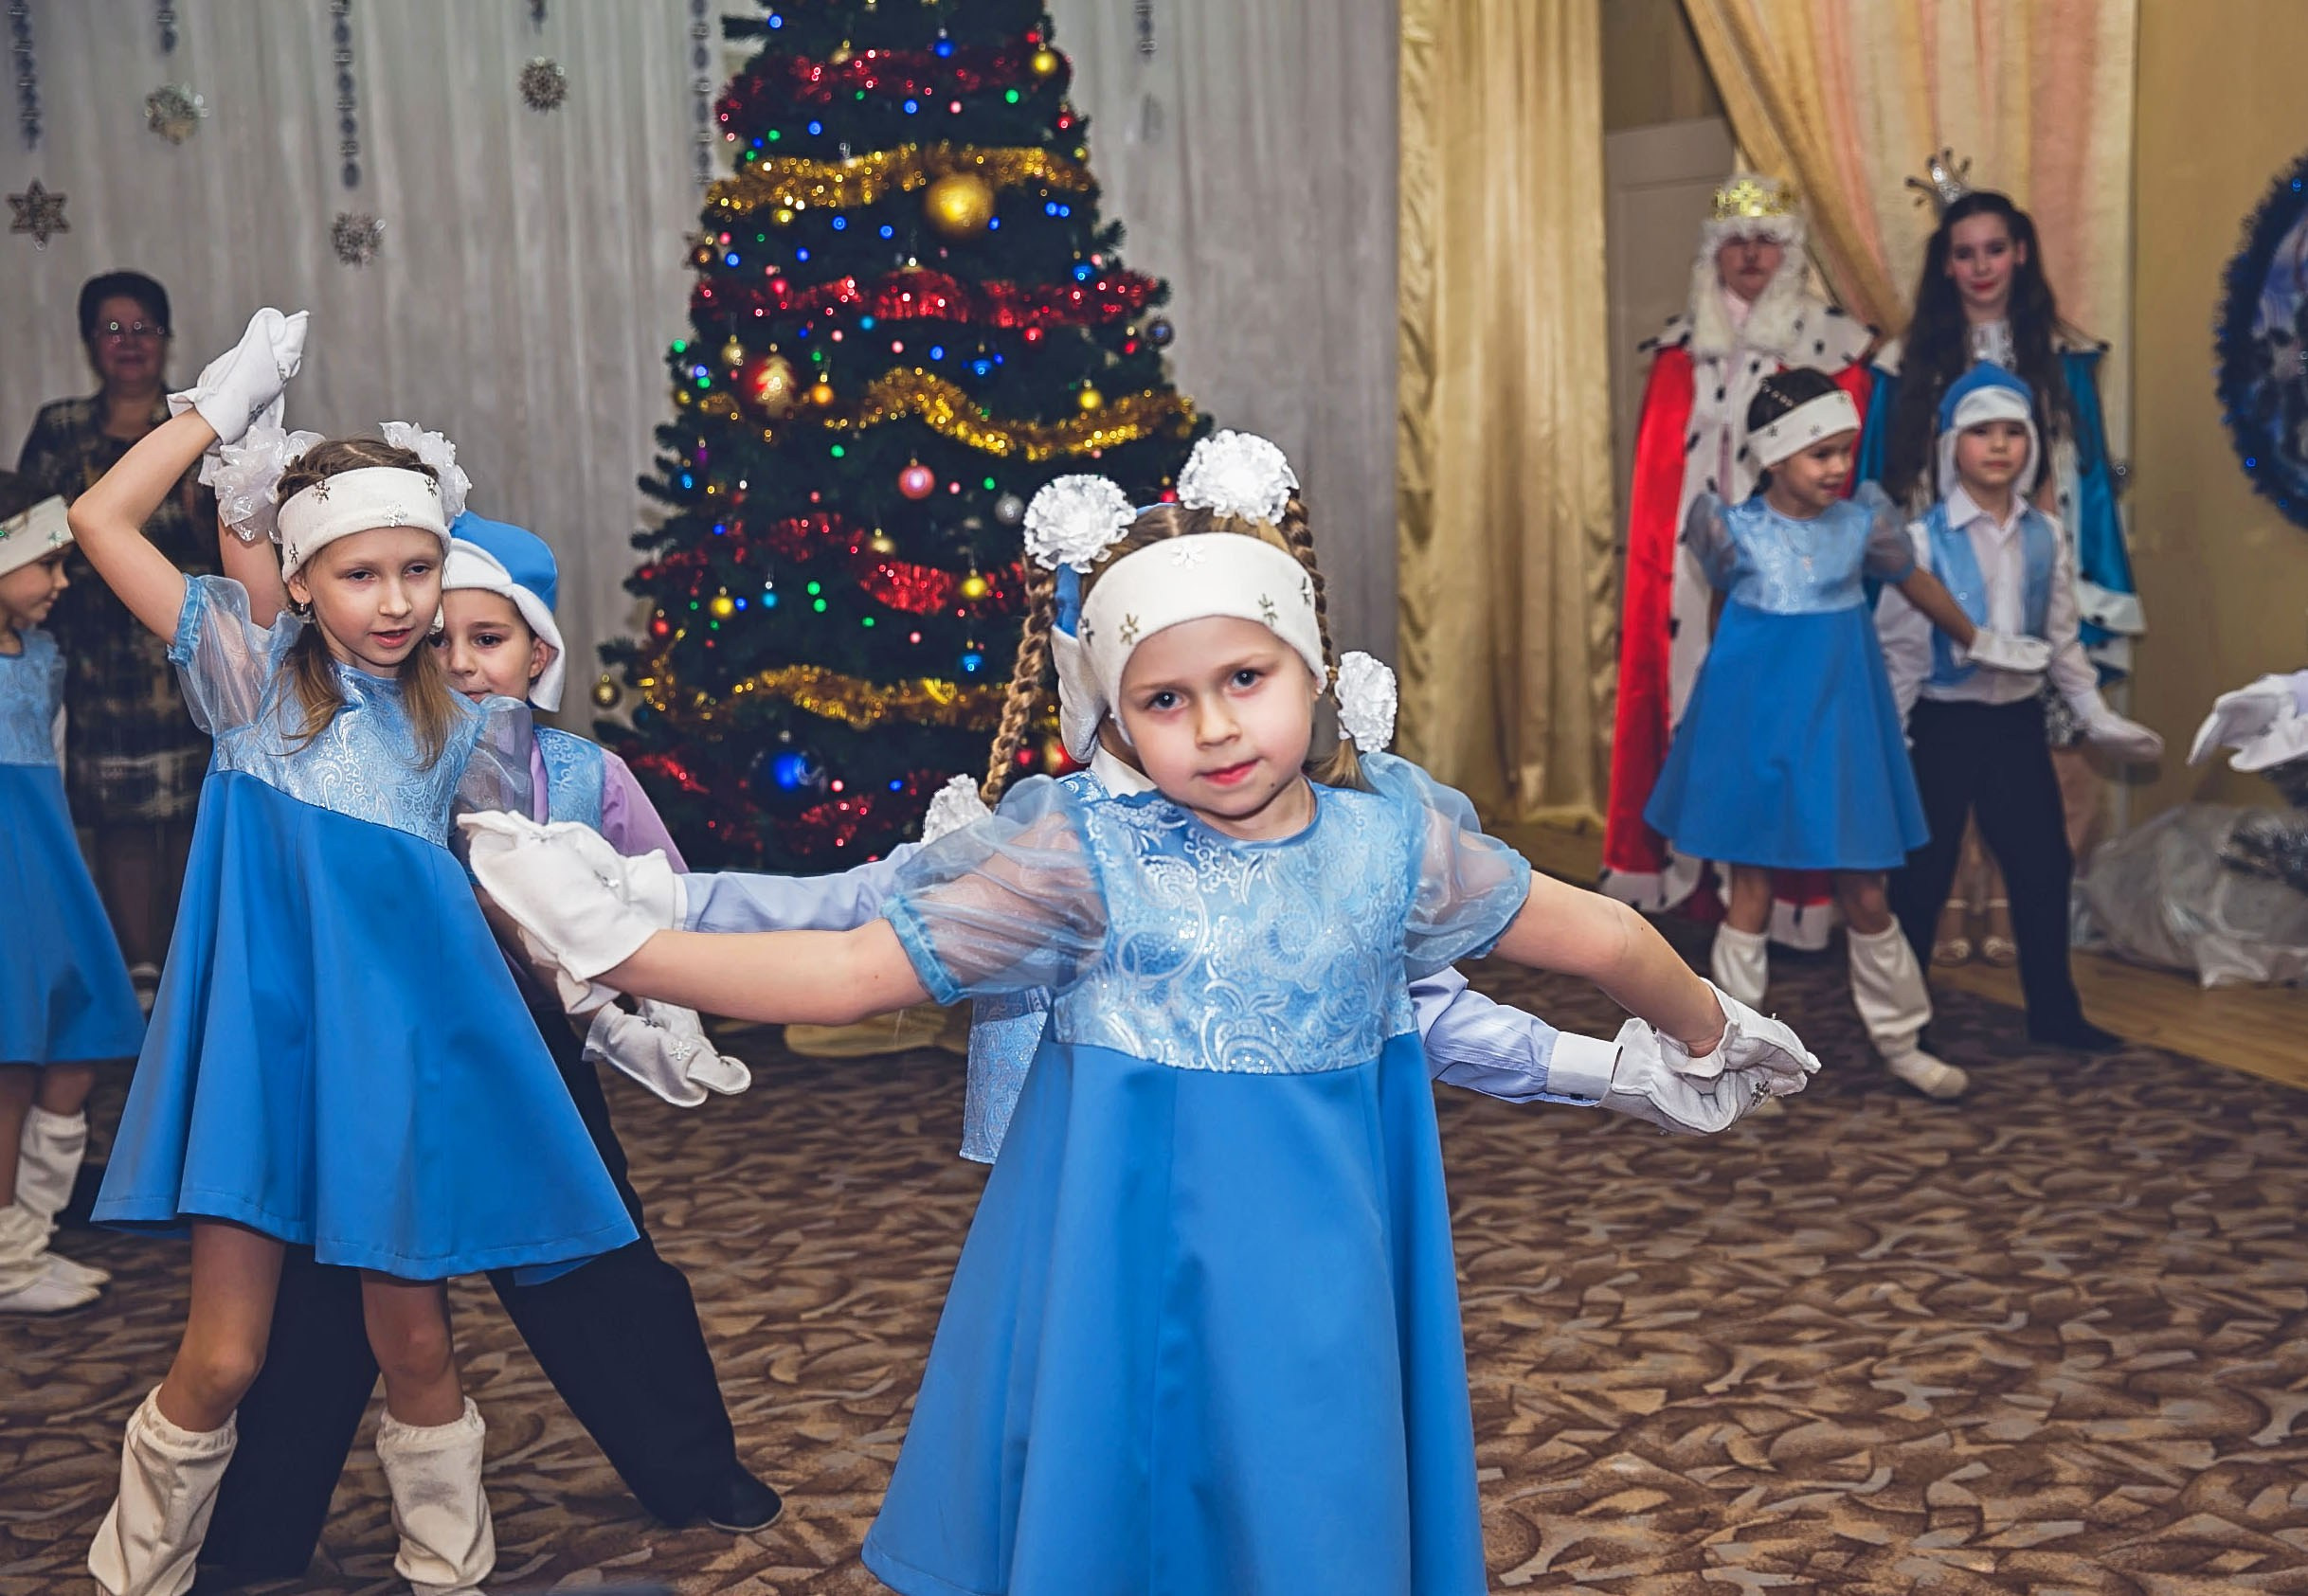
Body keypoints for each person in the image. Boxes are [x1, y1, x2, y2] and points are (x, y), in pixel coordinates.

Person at [469, 448, 1824, 1596]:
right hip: (1121, 1255)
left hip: (1320, 1266)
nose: (1217, 727)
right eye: (1165, 701)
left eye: (1248, 678)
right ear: (1114, 720)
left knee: (1313, 1484)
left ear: (1309, 666)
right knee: (1130, 1487)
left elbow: (1597, 932)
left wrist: (1705, 1031)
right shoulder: (1079, 860)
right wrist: (628, 944)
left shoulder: (1395, 846)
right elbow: (853, 971)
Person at [67, 310, 634, 1596]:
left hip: (393, 1074)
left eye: (417, 573)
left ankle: (450, 1570)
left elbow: (498, 894)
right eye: (362, 575)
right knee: (220, 1359)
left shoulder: (459, 731)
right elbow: (101, 524)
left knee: (418, 1346)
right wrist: (210, 412)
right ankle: (131, 1575)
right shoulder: (247, 683)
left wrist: (615, 985)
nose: (394, 604)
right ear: (306, 581)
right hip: (266, 1067)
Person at [192, 510, 777, 1585]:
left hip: (521, 1051)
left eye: (489, 637)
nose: (459, 660)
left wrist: (656, 1023)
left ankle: (691, 1465)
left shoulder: (582, 773)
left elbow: (663, 902)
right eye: (437, 636)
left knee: (594, 1261)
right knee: (327, 1294)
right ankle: (254, 1535)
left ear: (540, 650)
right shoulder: (354, 739)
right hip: (367, 1051)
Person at [1644, 368, 2041, 1101]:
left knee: (1864, 889)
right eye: (1819, 453)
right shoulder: (1729, 529)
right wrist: (1713, 723)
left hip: (1840, 729)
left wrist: (1976, 636)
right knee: (1751, 891)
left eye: (1844, 450)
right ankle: (1736, 1061)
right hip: (1756, 727)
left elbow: (1914, 580)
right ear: (1772, 456)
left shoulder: (1864, 521)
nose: (1838, 468)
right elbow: (1723, 621)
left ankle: (1902, 1038)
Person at [1859, 173, 2143, 971]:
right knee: (1942, 769)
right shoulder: (1905, 361)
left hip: (2037, 566)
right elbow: (1885, 477)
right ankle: (1946, 912)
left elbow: (2081, 472)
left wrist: (2068, 574)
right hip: (1938, 577)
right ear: (1946, 266)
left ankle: (2029, 935)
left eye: (1994, 250)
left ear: (2019, 254)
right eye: (1964, 253)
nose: (1981, 266)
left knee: (2043, 758)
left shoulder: (2063, 357)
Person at [1605, 173, 1878, 950]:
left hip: (1792, 569)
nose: (1751, 256)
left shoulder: (1836, 348)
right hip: (1696, 575)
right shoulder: (1678, 348)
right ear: (1713, 256)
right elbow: (1661, 481)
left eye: (1767, 242)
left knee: (1785, 718)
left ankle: (1775, 897)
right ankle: (1702, 878)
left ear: (1789, 255)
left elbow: (1844, 475)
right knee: (1698, 699)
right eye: (1735, 243)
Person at [1876, 364, 2163, 1054]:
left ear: (2031, 445)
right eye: (1982, 432)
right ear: (1953, 447)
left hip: (2014, 726)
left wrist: (2098, 718)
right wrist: (1892, 743)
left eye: (2012, 431)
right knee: (1922, 873)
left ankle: (2055, 1012)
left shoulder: (2046, 538)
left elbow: (2060, 643)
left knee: (2042, 865)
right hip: (1942, 725)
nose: (1998, 445)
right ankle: (1901, 1020)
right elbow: (1902, 654)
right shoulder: (1921, 543)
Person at [16, 271, 212, 1009]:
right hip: (96, 654)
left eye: (143, 328)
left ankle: (193, 964)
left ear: (166, 337)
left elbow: (237, 544)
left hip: (190, 651)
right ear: (90, 342)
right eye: (112, 329)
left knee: (199, 814)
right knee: (123, 821)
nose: (129, 344)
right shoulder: (61, 427)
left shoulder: (199, 424)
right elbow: (32, 536)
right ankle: (138, 976)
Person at [0, 478, 144, 1315]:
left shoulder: (46, 658)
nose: (60, 580)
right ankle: (7, 1257)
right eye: (46, 562)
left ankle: (27, 1233)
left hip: (47, 859)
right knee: (12, 1062)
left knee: (75, 1045)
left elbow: (48, 759)